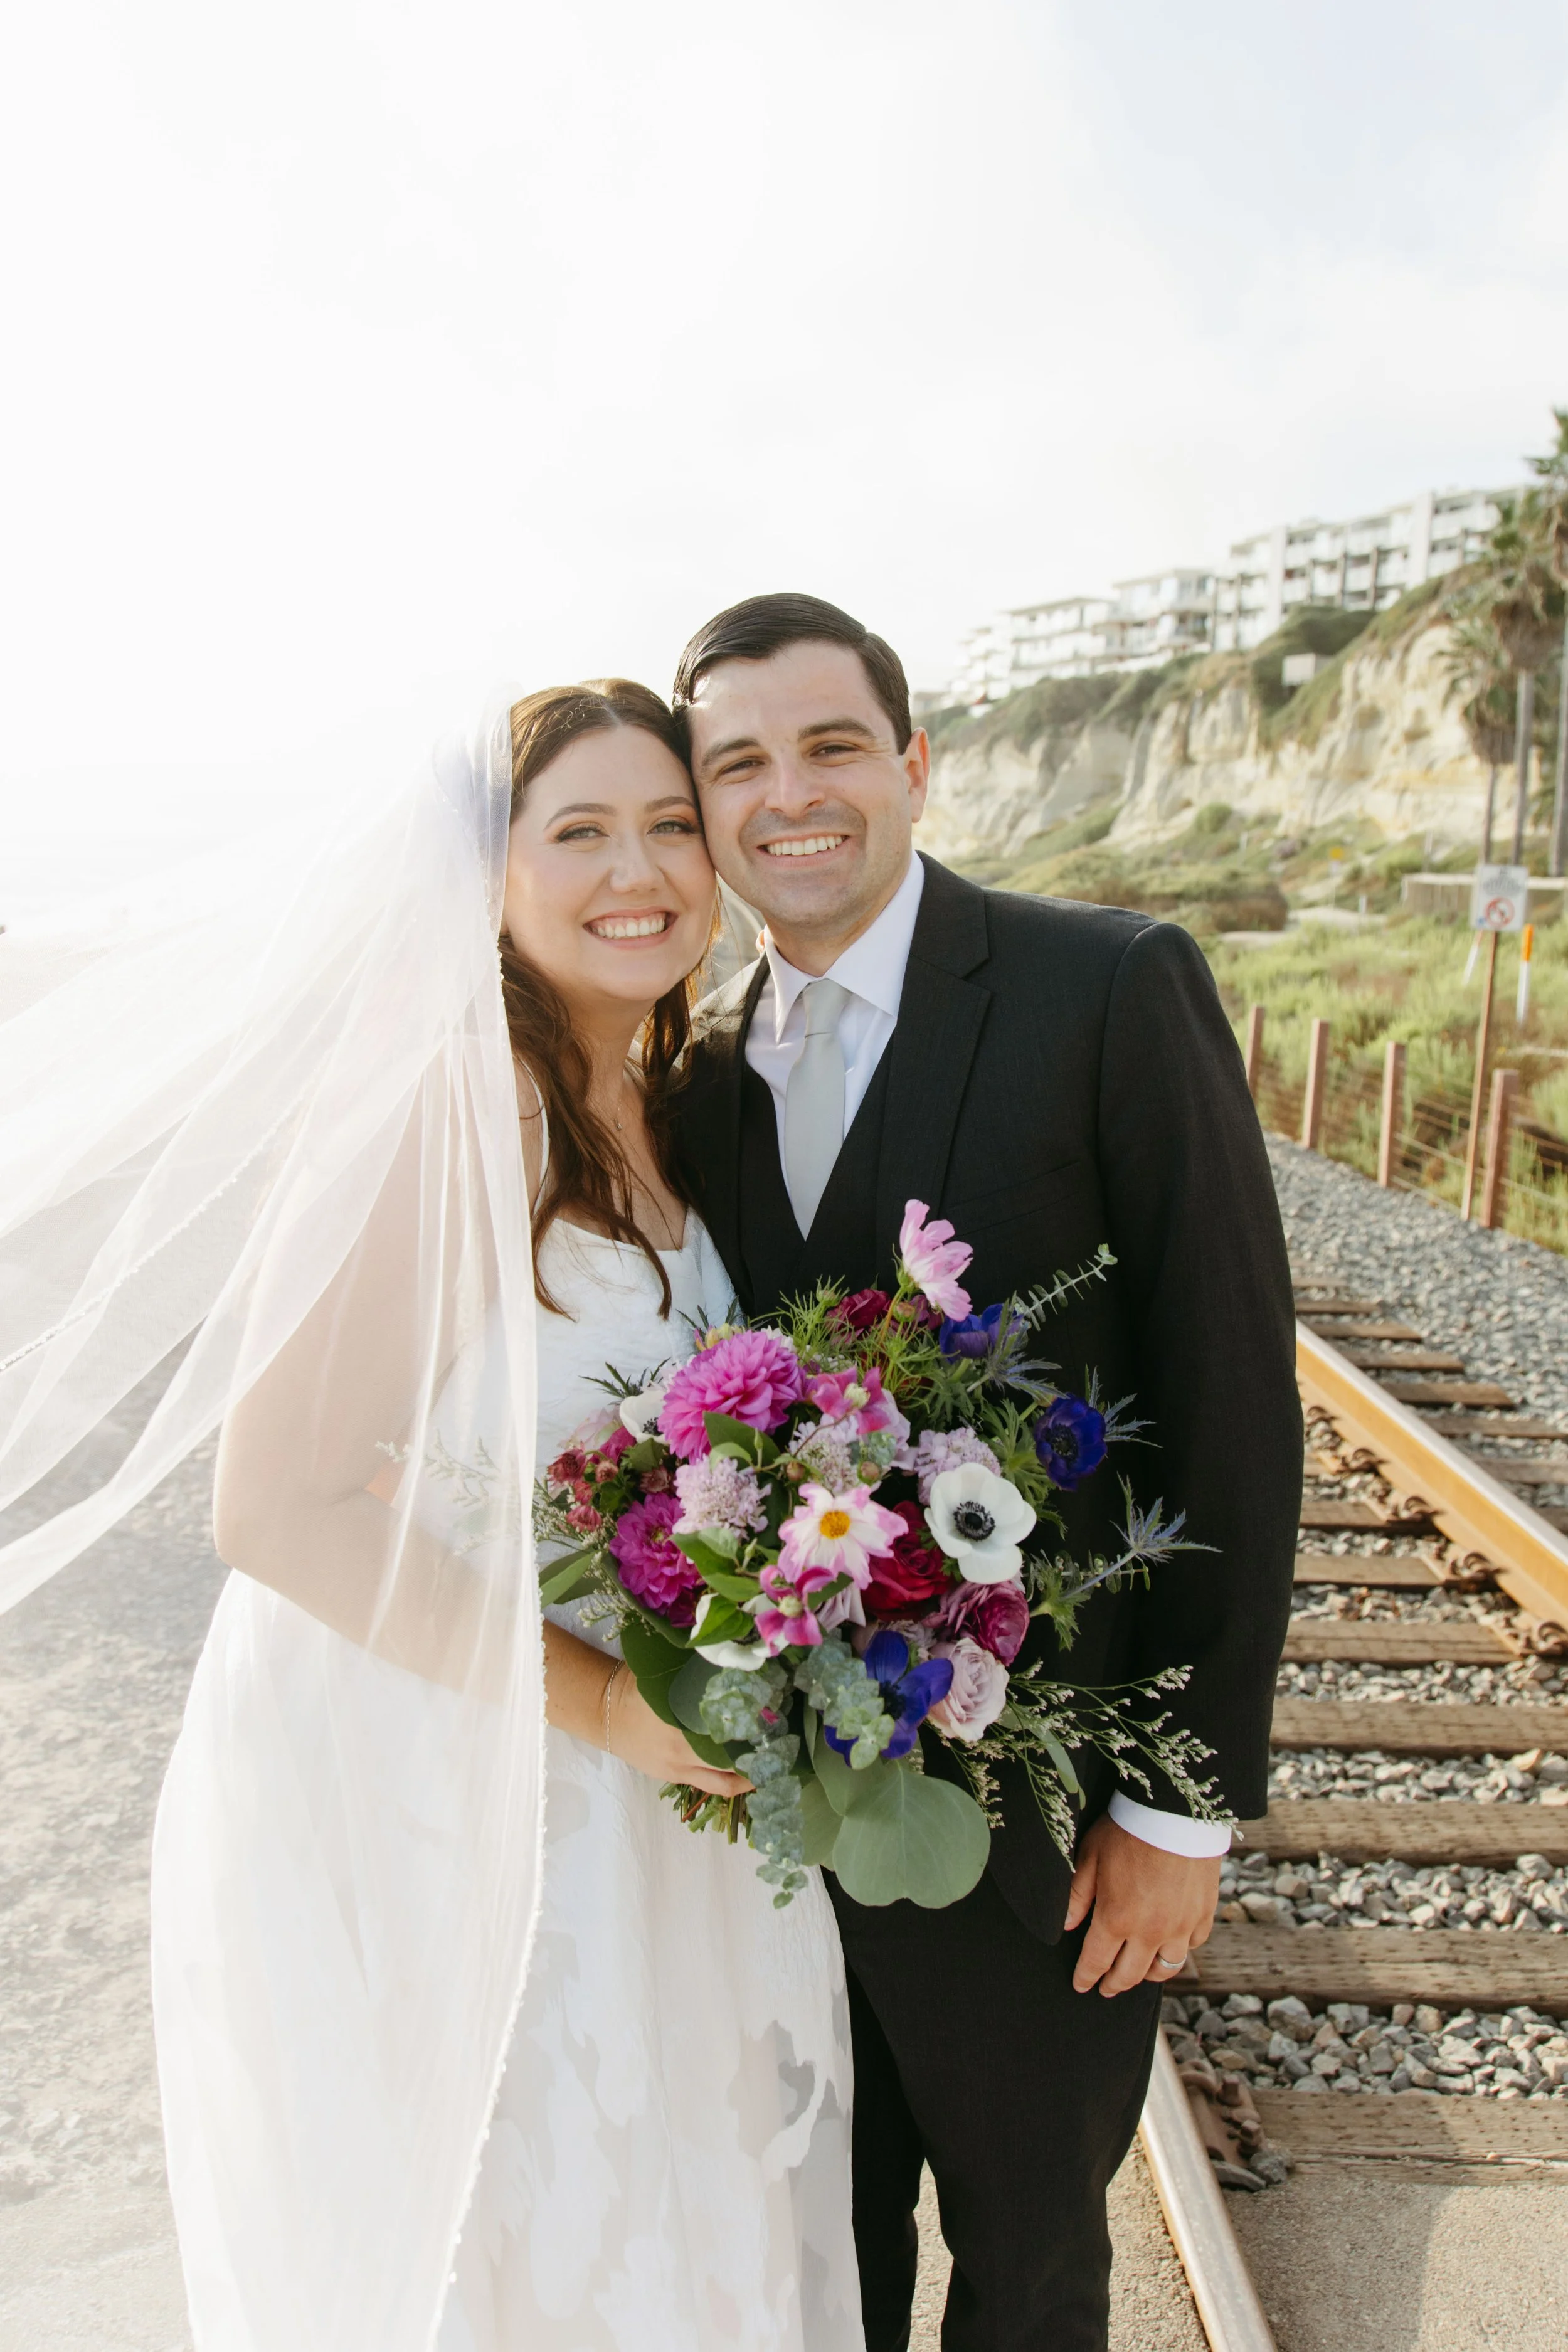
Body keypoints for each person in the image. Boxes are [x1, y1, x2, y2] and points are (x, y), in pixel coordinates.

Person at [0, 684, 862, 2352]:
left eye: (669, 825)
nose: (639, 869)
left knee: (646, 2215)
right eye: (580, 830)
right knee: (509, 2234)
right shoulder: (450, 1112)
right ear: (486, 875)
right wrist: (611, 1707)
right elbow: (273, 1504)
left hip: (615, 1748)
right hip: (449, 1751)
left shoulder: (656, 1096)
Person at [670, 594, 1302, 2352]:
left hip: (1050, 1835)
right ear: (706, 808)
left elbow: (1233, 1405)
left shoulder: (1106, 985)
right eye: (738, 763)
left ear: (914, 764)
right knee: (816, 2265)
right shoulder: (696, 1070)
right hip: (772, 1843)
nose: (789, 794)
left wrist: (1181, 1807)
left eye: (830, 745)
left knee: (1028, 2274)